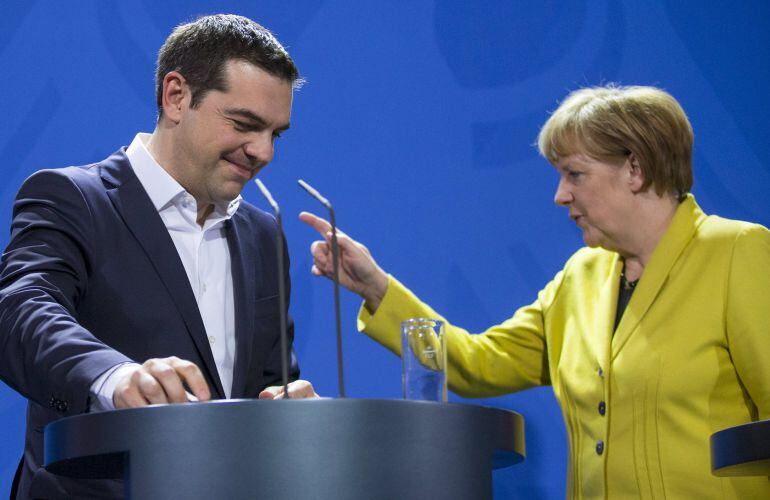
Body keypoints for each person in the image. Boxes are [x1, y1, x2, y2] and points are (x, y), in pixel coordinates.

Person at [301, 85, 770, 498]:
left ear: (635, 168)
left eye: (575, 174)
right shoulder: (580, 277)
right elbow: (476, 365)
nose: (559, 195)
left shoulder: (736, 253)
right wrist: (378, 288)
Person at [0, 14, 317, 499]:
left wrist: (291, 409)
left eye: (277, 133)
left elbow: (271, 386)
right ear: (176, 96)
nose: (263, 152)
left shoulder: (262, 234)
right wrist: (114, 375)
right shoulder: (73, 199)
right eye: (246, 124)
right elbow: (19, 310)